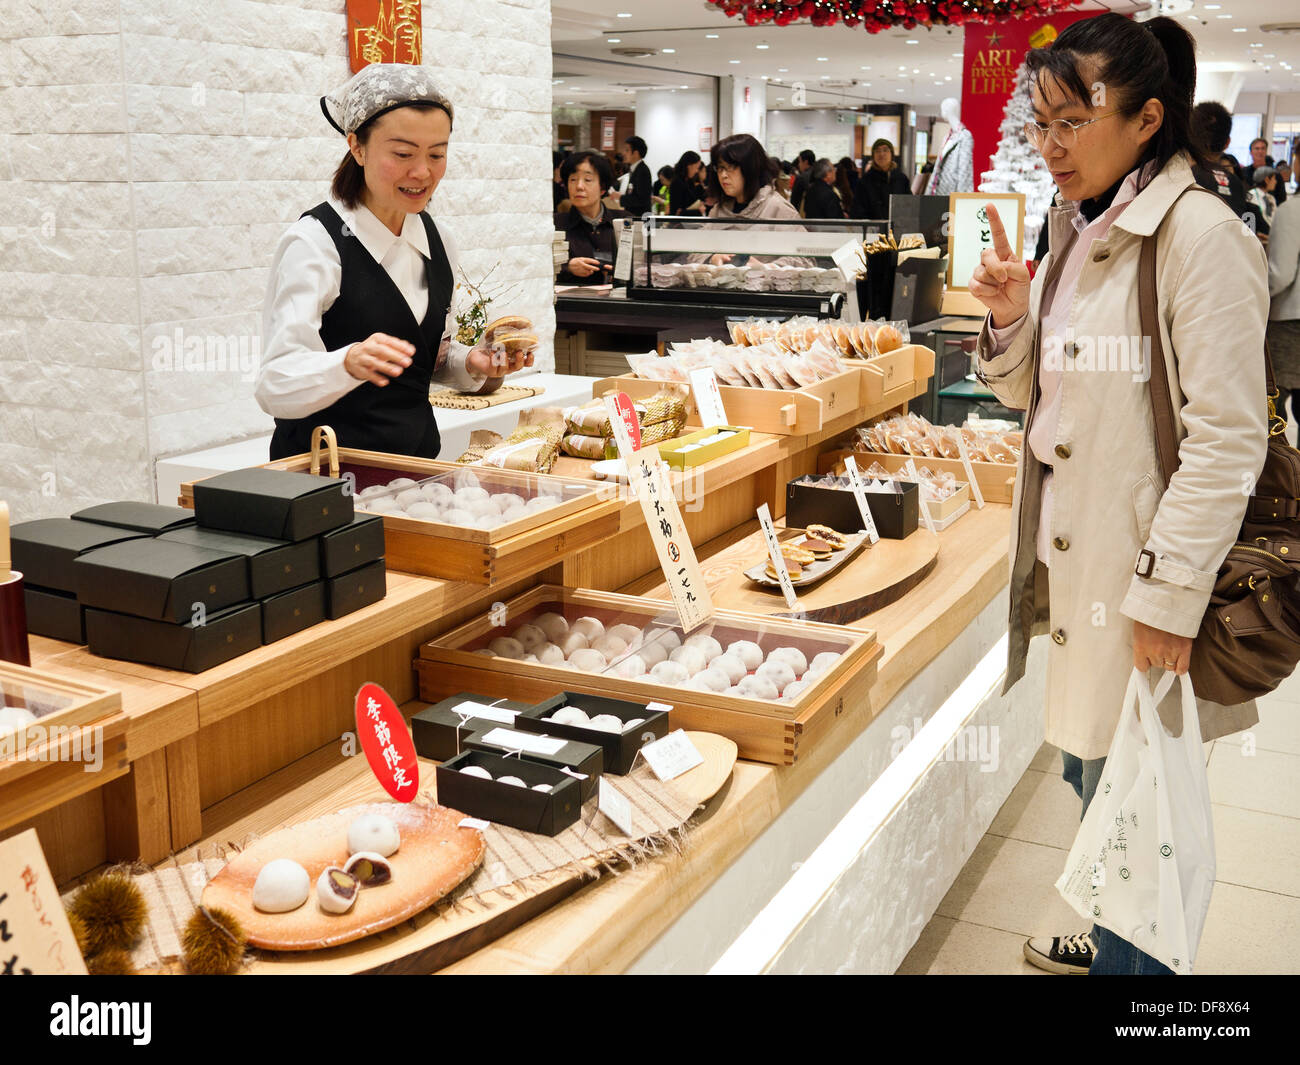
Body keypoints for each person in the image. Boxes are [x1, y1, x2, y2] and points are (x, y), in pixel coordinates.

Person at [969, 13, 1267, 976]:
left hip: (1138, 583)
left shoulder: (1199, 238)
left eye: (1069, 120)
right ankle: (1105, 938)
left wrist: (1170, 598)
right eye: (1040, 122)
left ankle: (1132, 976)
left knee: (1140, 815)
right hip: (1080, 567)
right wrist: (1013, 320)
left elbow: (1227, 441)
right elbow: (1039, 403)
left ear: (1146, 120)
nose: (1049, 145)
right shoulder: (1082, 232)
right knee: (1094, 777)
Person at [256, 64, 533, 461]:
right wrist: (346, 363)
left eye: (437, 154)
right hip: (324, 481)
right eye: (402, 153)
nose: (422, 172)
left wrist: (473, 362)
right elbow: (273, 384)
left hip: (417, 472)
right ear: (357, 147)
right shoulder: (316, 243)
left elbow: (429, 360)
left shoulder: (438, 241)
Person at [697, 134, 802, 267]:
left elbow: (805, 260)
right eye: (720, 168)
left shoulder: (778, 208)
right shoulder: (719, 210)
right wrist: (711, 258)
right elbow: (694, 252)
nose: (723, 175)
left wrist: (768, 268)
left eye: (731, 167)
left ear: (751, 168)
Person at [554, 149, 628, 286]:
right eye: (573, 180)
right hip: (572, 304)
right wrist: (567, 267)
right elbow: (536, 266)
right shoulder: (555, 225)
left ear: (603, 188)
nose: (579, 186)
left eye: (588, 180)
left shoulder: (624, 222)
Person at [1190, 101, 1259, 234]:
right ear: (1227, 143)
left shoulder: (1184, 179)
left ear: (1189, 136)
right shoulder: (1238, 185)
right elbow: (1248, 232)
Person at [1266, 192, 1300, 424]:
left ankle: (1282, 462)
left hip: (1289, 322)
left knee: (1272, 408)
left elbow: (1280, 274)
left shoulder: (1291, 210)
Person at [852, 138, 912, 220]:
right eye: (877, 151)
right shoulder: (864, 181)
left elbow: (909, 206)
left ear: (892, 154)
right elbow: (858, 210)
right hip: (873, 229)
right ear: (873, 156)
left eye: (885, 150)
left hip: (897, 228)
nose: (881, 154)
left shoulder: (901, 179)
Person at [617, 135, 653, 217]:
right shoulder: (635, 169)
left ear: (636, 153)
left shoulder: (643, 171)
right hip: (636, 217)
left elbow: (642, 199)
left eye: (627, 150)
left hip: (641, 218)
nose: (624, 153)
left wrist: (621, 197)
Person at [669, 151, 706, 216]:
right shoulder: (677, 183)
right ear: (689, 165)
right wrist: (698, 211)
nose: (697, 171)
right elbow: (676, 212)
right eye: (696, 168)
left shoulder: (689, 182)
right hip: (679, 224)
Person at [789, 148, 816, 213]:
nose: (798, 165)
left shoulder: (801, 178)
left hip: (804, 213)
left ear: (805, 162)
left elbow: (794, 200)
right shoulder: (819, 174)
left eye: (800, 161)